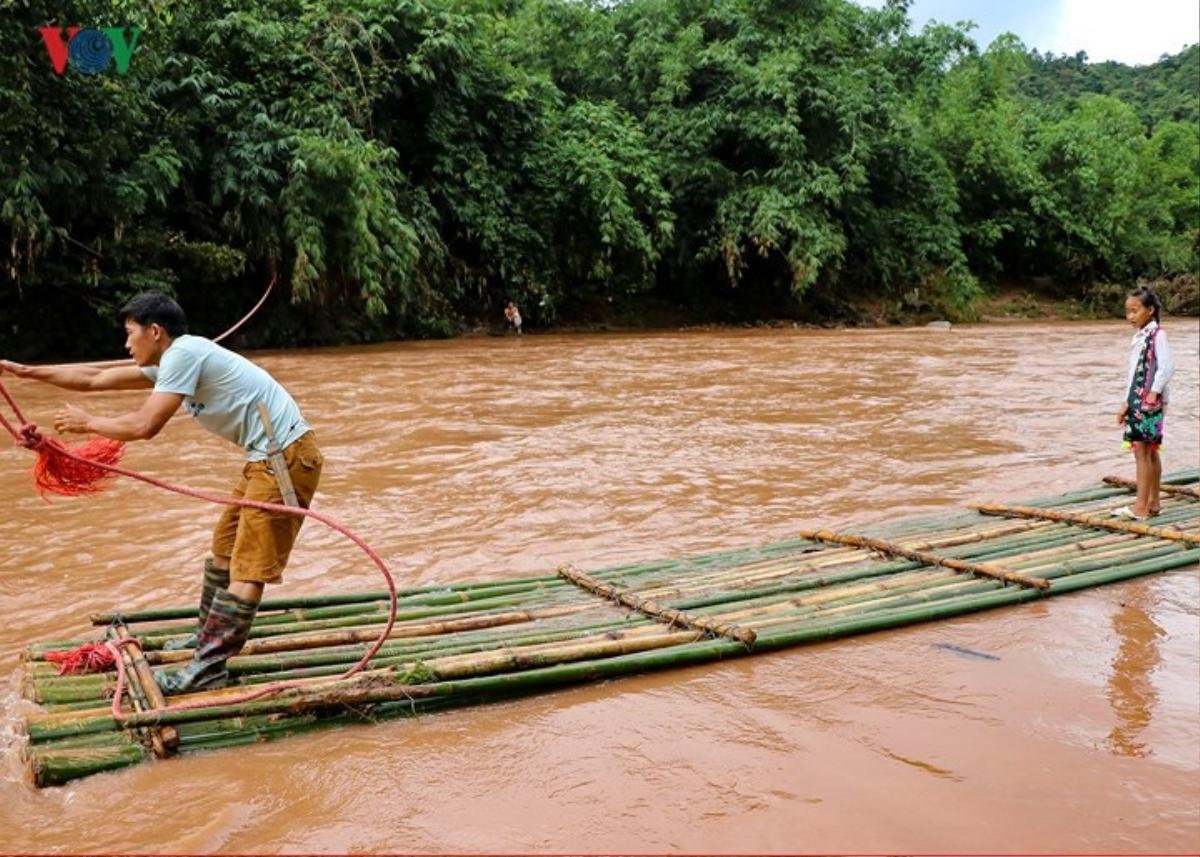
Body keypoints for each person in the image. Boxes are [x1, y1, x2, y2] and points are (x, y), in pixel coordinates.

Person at [0, 291, 323, 694]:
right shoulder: (173, 360)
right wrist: (22, 372)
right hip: (266, 458)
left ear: (155, 332)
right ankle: (205, 635)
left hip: (285, 458)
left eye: (130, 334)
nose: (126, 344)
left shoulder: (183, 355)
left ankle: (208, 667)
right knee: (224, 548)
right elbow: (94, 378)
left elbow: (145, 425)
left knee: (249, 567)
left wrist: (89, 424)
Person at [1114, 287, 1174, 520]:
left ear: (1150, 310)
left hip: (1148, 402)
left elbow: (1167, 367)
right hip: (1139, 401)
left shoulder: (1158, 335)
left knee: (1142, 451)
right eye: (1127, 312)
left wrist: (1153, 393)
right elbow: (1134, 374)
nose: (1130, 316)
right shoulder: (1141, 336)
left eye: (1134, 311)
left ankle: (1141, 508)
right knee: (1149, 451)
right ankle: (1153, 503)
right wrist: (1126, 403)